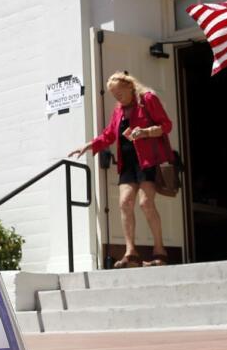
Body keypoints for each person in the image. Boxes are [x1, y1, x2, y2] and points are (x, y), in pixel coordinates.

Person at [69, 72, 173, 268]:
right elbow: (109, 135)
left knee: (145, 203)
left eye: (119, 92)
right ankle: (131, 253)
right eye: (113, 94)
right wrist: (90, 144)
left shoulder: (147, 99)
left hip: (148, 160)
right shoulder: (119, 110)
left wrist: (146, 132)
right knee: (125, 202)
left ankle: (160, 251)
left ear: (130, 86)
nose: (117, 97)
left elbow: (166, 125)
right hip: (127, 162)